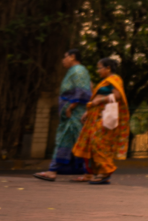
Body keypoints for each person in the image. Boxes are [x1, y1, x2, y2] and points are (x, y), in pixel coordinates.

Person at [33, 49, 93, 181]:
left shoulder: (78, 70)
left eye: (65, 57)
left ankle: (54, 171)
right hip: (70, 115)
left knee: (74, 141)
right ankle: (57, 170)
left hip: (74, 114)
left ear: (72, 57)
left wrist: (71, 107)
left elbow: (82, 91)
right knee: (70, 142)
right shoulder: (74, 71)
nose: (63, 60)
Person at [72, 56, 130, 184]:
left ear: (108, 68)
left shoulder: (115, 79)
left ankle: (105, 172)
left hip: (105, 117)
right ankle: (98, 172)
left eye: (99, 68)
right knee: (94, 142)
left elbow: (118, 96)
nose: (98, 71)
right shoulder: (104, 81)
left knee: (99, 142)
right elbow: (97, 97)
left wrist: (99, 100)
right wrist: (88, 111)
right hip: (96, 115)